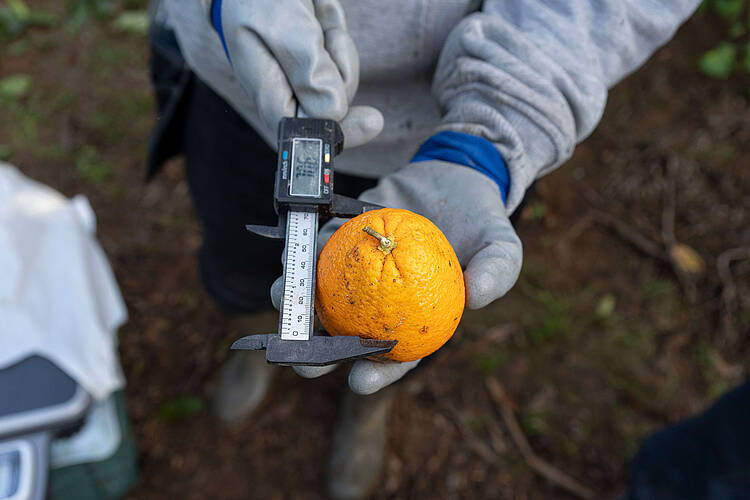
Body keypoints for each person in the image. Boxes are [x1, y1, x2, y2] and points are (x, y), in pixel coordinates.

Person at [147, 1, 701, 498]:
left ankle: (370, 406)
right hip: (246, 96)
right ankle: (255, 339)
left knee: (412, 328)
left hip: (457, 125)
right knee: (238, 254)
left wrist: (486, 137)